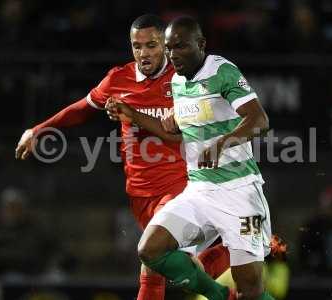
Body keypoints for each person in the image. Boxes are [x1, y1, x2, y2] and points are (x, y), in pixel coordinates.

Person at [15, 14, 229, 300]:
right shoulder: (119, 79)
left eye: (151, 45)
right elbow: (83, 107)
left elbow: (187, 135)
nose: (144, 53)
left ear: (165, 46)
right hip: (139, 192)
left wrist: (146, 116)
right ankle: (238, 255)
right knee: (176, 270)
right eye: (137, 46)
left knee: (150, 264)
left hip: (180, 186)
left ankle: (237, 261)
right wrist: (40, 128)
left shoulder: (184, 80)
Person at [108, 16, 276, 300]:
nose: (174, 55)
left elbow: (260, 120)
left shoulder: (221, 71)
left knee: (249, 288)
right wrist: (133, 115)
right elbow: (176, 136)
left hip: (239, 192)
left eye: (181, 47)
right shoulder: (176, 82)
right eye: (170, 48)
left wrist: (222, 143)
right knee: (150, 249)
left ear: (201, 44)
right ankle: (218, 295)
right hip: (199, 191)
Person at [0, 187, 60, 280]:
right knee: (14, 278)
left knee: (58, 278)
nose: (12, 211)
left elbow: (53, 247)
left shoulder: (35, 228)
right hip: (6, 274)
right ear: (2, 209)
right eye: (9, 207)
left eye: (16, 207)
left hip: (38, 273)